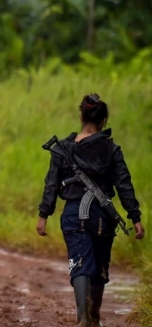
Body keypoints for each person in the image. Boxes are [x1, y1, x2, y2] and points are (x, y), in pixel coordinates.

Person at [36, 93, 145, 326]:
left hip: (75, 213)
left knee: (80, 262)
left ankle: (84, 318)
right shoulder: (111, 149)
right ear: (104, 120)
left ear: (81, 115)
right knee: (99, 265)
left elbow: (52, 184)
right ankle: (93, 318)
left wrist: (43, 214)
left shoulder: (64, 148)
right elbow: (124, 184)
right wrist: (134, 216)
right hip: (103, 216)